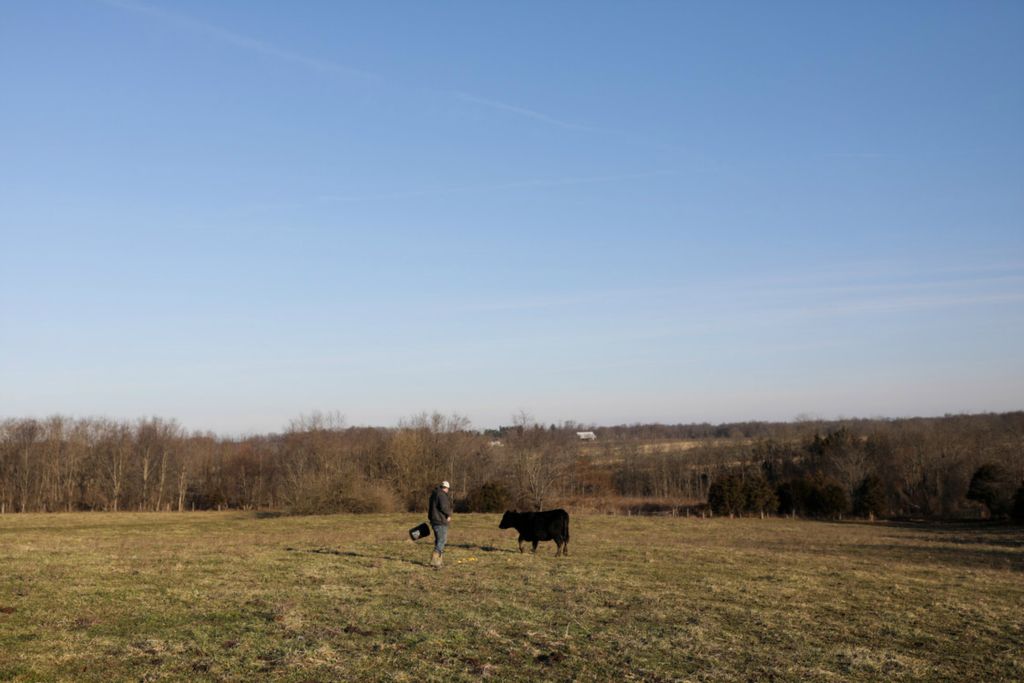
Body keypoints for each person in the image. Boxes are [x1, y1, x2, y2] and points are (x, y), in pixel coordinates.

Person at [427, 480, 452, 568]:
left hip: (434, 521)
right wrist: (449, 514)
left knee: (439, 541)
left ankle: (439, 561)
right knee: (442, 541)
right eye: (448, 489)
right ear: (446, 488)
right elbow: (444, 507)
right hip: (440, 521)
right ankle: (435, 561)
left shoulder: (434, 494)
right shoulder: (441, 495)